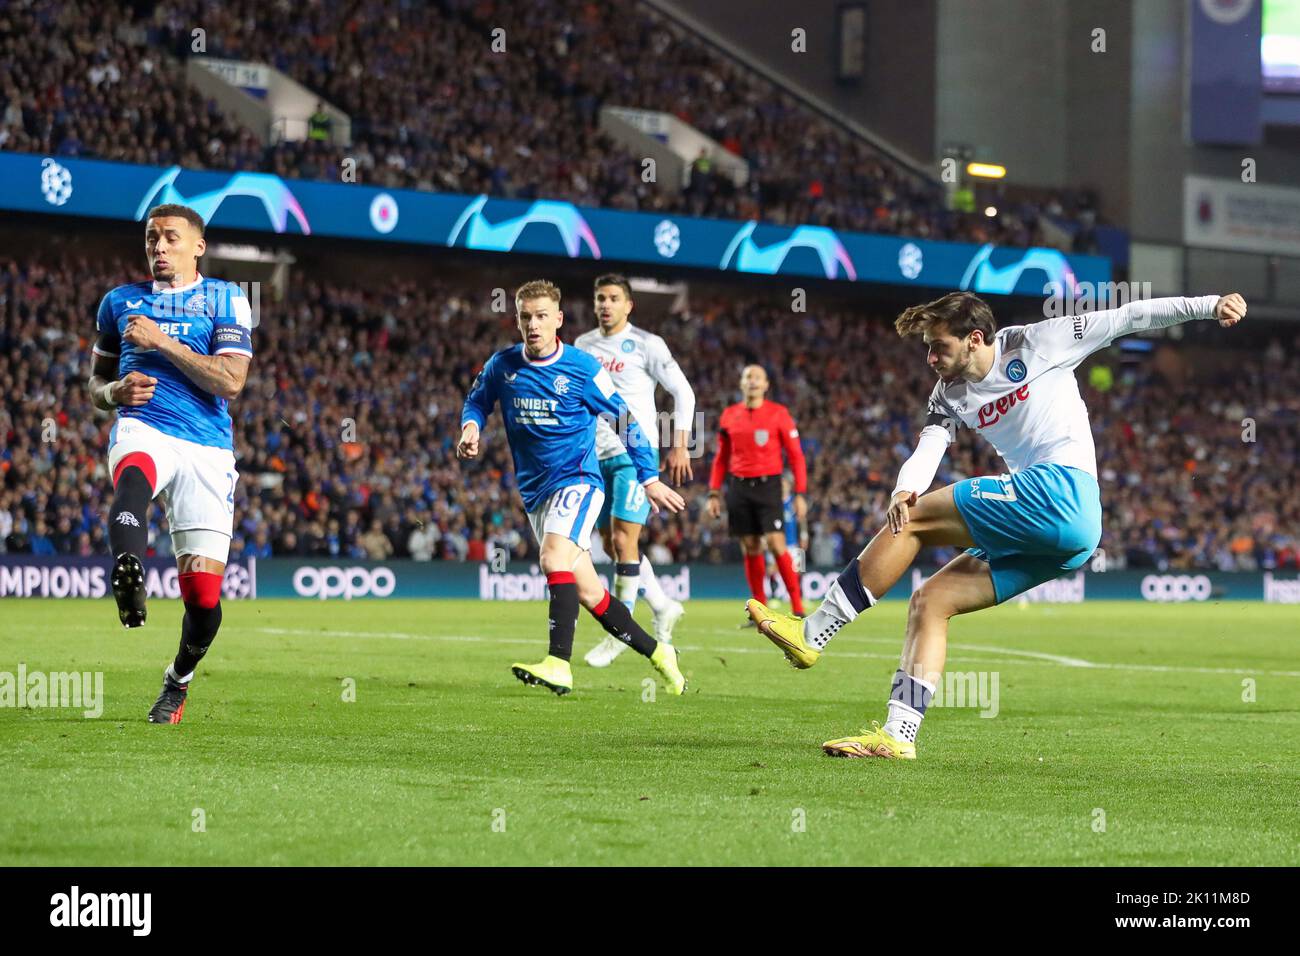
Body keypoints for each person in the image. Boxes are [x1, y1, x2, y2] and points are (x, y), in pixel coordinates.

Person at [748, 290, 1247, 759]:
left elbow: (1128, 317)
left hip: (1061, 492)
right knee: (931, 601)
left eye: (938, 347)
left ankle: (813, 633)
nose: (930, 360)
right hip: (1062, 537)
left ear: (975, 339)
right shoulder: (949, 393)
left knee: (915, 521)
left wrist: (1208, 304)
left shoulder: (1040, 341)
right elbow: (930, 446)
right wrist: (904, 487)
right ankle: (898, 735)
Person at [458, 279, 689, 697]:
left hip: (579, 481)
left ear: (558, 320)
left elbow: (623, 421)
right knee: (588, 591)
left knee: (552, 557)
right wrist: (471, 427)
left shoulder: (582, 369)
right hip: (536, 494)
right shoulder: (503, 366)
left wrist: (649, 477)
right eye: (526, 316)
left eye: (542, 316)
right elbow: (477, 401)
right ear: (517, 319)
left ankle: (558, 664)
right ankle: (660, 653)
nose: (533, 324)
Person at [88, 203, 253, 724]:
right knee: (132, 476)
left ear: (198, 246)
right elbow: (94, 385)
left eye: (171, 238)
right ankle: (128, 572)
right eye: (152, 238)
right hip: (144, 424)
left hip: (207, 447)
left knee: (203, 598)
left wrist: (161, 342)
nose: (158, 247)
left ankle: (177, 681)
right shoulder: (118, 302)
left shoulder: (226, 298)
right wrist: (115, 390)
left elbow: (230, 381)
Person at [574, 274, 695, 667]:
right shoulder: (582, 345)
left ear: (629, 305)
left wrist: (679, 444)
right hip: (596, 456)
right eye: (600, 298)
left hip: (633, 455)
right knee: (611, 545)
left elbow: (683, 391)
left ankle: (620, 630)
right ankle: (661, 605)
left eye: (613, 298)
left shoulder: (647, 344)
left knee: (625, 542)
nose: (605, 305)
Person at [707, 365, 807, 623]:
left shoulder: (779, 414)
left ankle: (797, 607)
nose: (752, 382)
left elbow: (796, 456)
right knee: (750, 546)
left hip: (768, 485)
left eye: (757, 378)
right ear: (741, 384)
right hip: (738, 486)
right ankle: (759, 610)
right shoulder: (729, 415)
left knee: (776, 543)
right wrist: (714, 492)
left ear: (766, 385)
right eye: (748, 377)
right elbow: (721, 458)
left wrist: (800, 493)